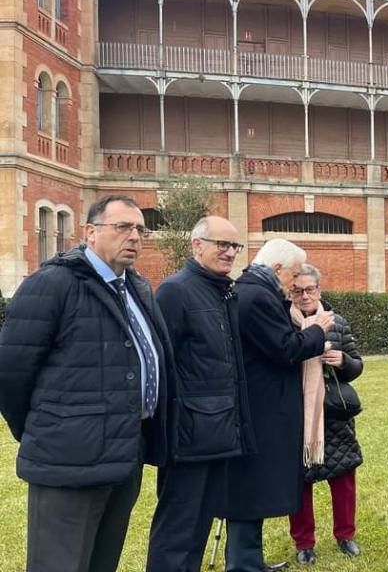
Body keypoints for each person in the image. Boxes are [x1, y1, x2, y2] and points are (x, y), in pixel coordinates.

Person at [0, 195, 172, 572]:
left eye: (140, 229)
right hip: (68, 459)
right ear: (91, 232)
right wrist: (45, 431)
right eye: (123, 227)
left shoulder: (137, 288)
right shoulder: (52, 284)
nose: (135, 236)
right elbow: (11, 374)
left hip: (124, 455)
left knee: (101, 562)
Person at [147, 216, 256, 572]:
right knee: (177, 531)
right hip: (188, 438)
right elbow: (161, 366)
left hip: (218, 433)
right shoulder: (176, 291)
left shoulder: (223, 290)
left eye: (234, 246)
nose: (229, 253)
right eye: (221, 245)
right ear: (197, 245)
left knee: (198, 529)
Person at [220, 239, 333, 572]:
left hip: (259, 406)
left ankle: (249, 559)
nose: (296, 282)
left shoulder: (252, 290)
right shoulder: (258, 296)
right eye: (294, 273)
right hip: (261, 409)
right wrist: (316, 331)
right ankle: (243, 563)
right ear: (278, 268)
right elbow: (284, 349)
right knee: (248, 494)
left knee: (253, 492)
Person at [287, 263, 365, 565]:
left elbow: (357, 367)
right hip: (297, 412)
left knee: (344, 475)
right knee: (300, 480)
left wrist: (343, 360)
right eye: (298, 290)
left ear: (319, 289)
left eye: (310, 289)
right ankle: (304, 543)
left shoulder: (337, 323)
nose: (305, 296)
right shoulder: (284, 323)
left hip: (333, 412)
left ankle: (346, 535)